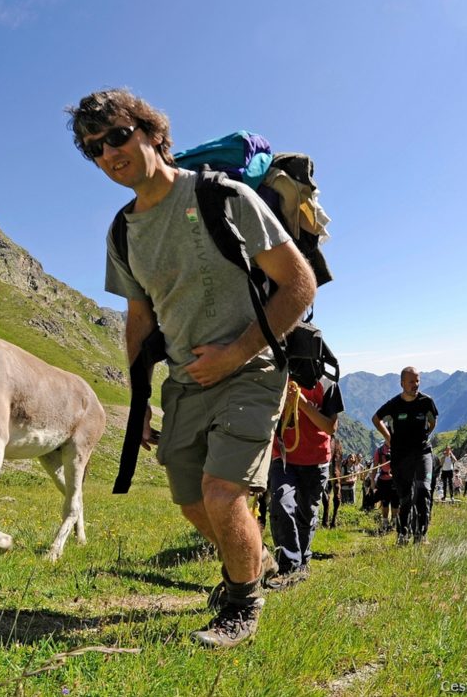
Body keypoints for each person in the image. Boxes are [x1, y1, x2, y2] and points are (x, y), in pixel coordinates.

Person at [67, 89, 316, 648]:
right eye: (94, 149)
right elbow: (138, 319)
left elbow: (298, 285)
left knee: (222, 492)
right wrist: (140, 404)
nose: (109, 153)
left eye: (116, 136)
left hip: (252, 368)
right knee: (190, 499)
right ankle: (252, 562)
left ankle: (241, 607)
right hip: (185, 379)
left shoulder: (220, 197)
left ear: (152, 133)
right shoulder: (122, 231)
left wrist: (236, 351)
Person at [269, 376, 343, 584]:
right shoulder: (279, 375)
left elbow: (330, 427)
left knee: (306, 513)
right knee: (281, 503)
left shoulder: (327, 384)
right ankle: (287, 566)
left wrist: (301, 403)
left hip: (316, 460)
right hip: (283, 456)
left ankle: (302, 562)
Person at [372, 367, 439, 545]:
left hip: (423, 452)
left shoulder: (427, 401)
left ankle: (421, 535)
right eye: (411, 381)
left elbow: (433, 421)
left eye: (417, 381)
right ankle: (403, 534)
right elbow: (376, 419)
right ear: (402, 383)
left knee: (423, 490)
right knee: (406, 497)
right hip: (401, 456)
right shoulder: (394, 404)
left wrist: (425, 435)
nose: (415, 385)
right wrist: (389, 439)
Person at [369, 440, 398, 532]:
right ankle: (385, 522)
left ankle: (394, 522)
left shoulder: (398, 448)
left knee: (395, 503)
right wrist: (372, 481)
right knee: (385, 503)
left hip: (395, 480)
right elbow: (375, 466)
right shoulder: (380, 451)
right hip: (383, 480)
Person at [321, 437, 344, 529]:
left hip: (330, 452)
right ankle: (325, 519)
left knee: (336, 482)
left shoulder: (335, 442)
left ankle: (333, 519)